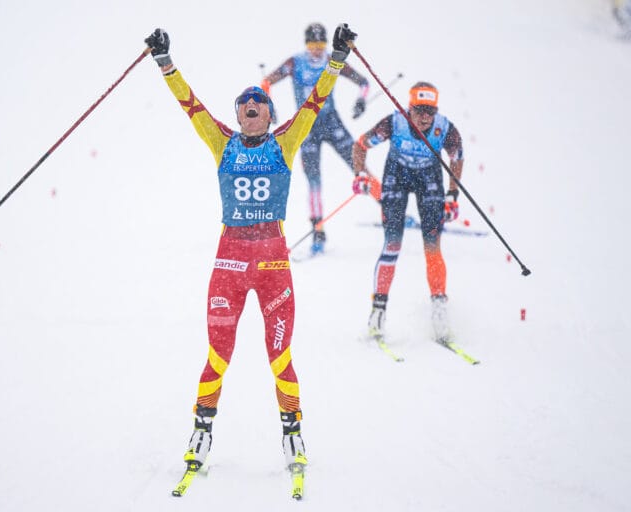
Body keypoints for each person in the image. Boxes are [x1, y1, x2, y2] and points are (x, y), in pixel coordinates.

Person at [143, 24, 358, 473]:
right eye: (244, 104)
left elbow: (315, 101)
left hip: (274, 265)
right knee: (218, 355)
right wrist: (165, 62)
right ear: (239, 115)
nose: (251, 106)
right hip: (229, 265)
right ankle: (201, 433)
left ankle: (293, 435)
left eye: (258, 102)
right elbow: (190, 105)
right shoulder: (221, 141)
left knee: (280, 357)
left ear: (269, 114)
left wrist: (336, 58)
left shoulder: (286, 141)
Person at [351, 81, 464, 342]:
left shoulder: (445, 128)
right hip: (397, 177)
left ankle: (439, 311)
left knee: (432, 246)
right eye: (419, 110)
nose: (425, 117)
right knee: (392, 245)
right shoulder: (394, 123)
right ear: (409, 108)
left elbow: (457, 157)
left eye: (430, 111)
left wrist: (452, 195)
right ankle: (378, 312)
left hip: (429, 179)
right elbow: (360, 145)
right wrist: (360, 174)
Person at [261, 22, 370, 255]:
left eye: (320, 44)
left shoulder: (332, 60)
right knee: (313, 179)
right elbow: (266, 82)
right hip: (306, 127)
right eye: (313, 45)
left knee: (359, 166)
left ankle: (390, 208)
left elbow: (364, 83)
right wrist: (268, 105)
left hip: (332, 123)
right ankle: (318, 230)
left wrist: (361, 101)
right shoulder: (295, 63)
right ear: (306, 44)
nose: (317, 50)